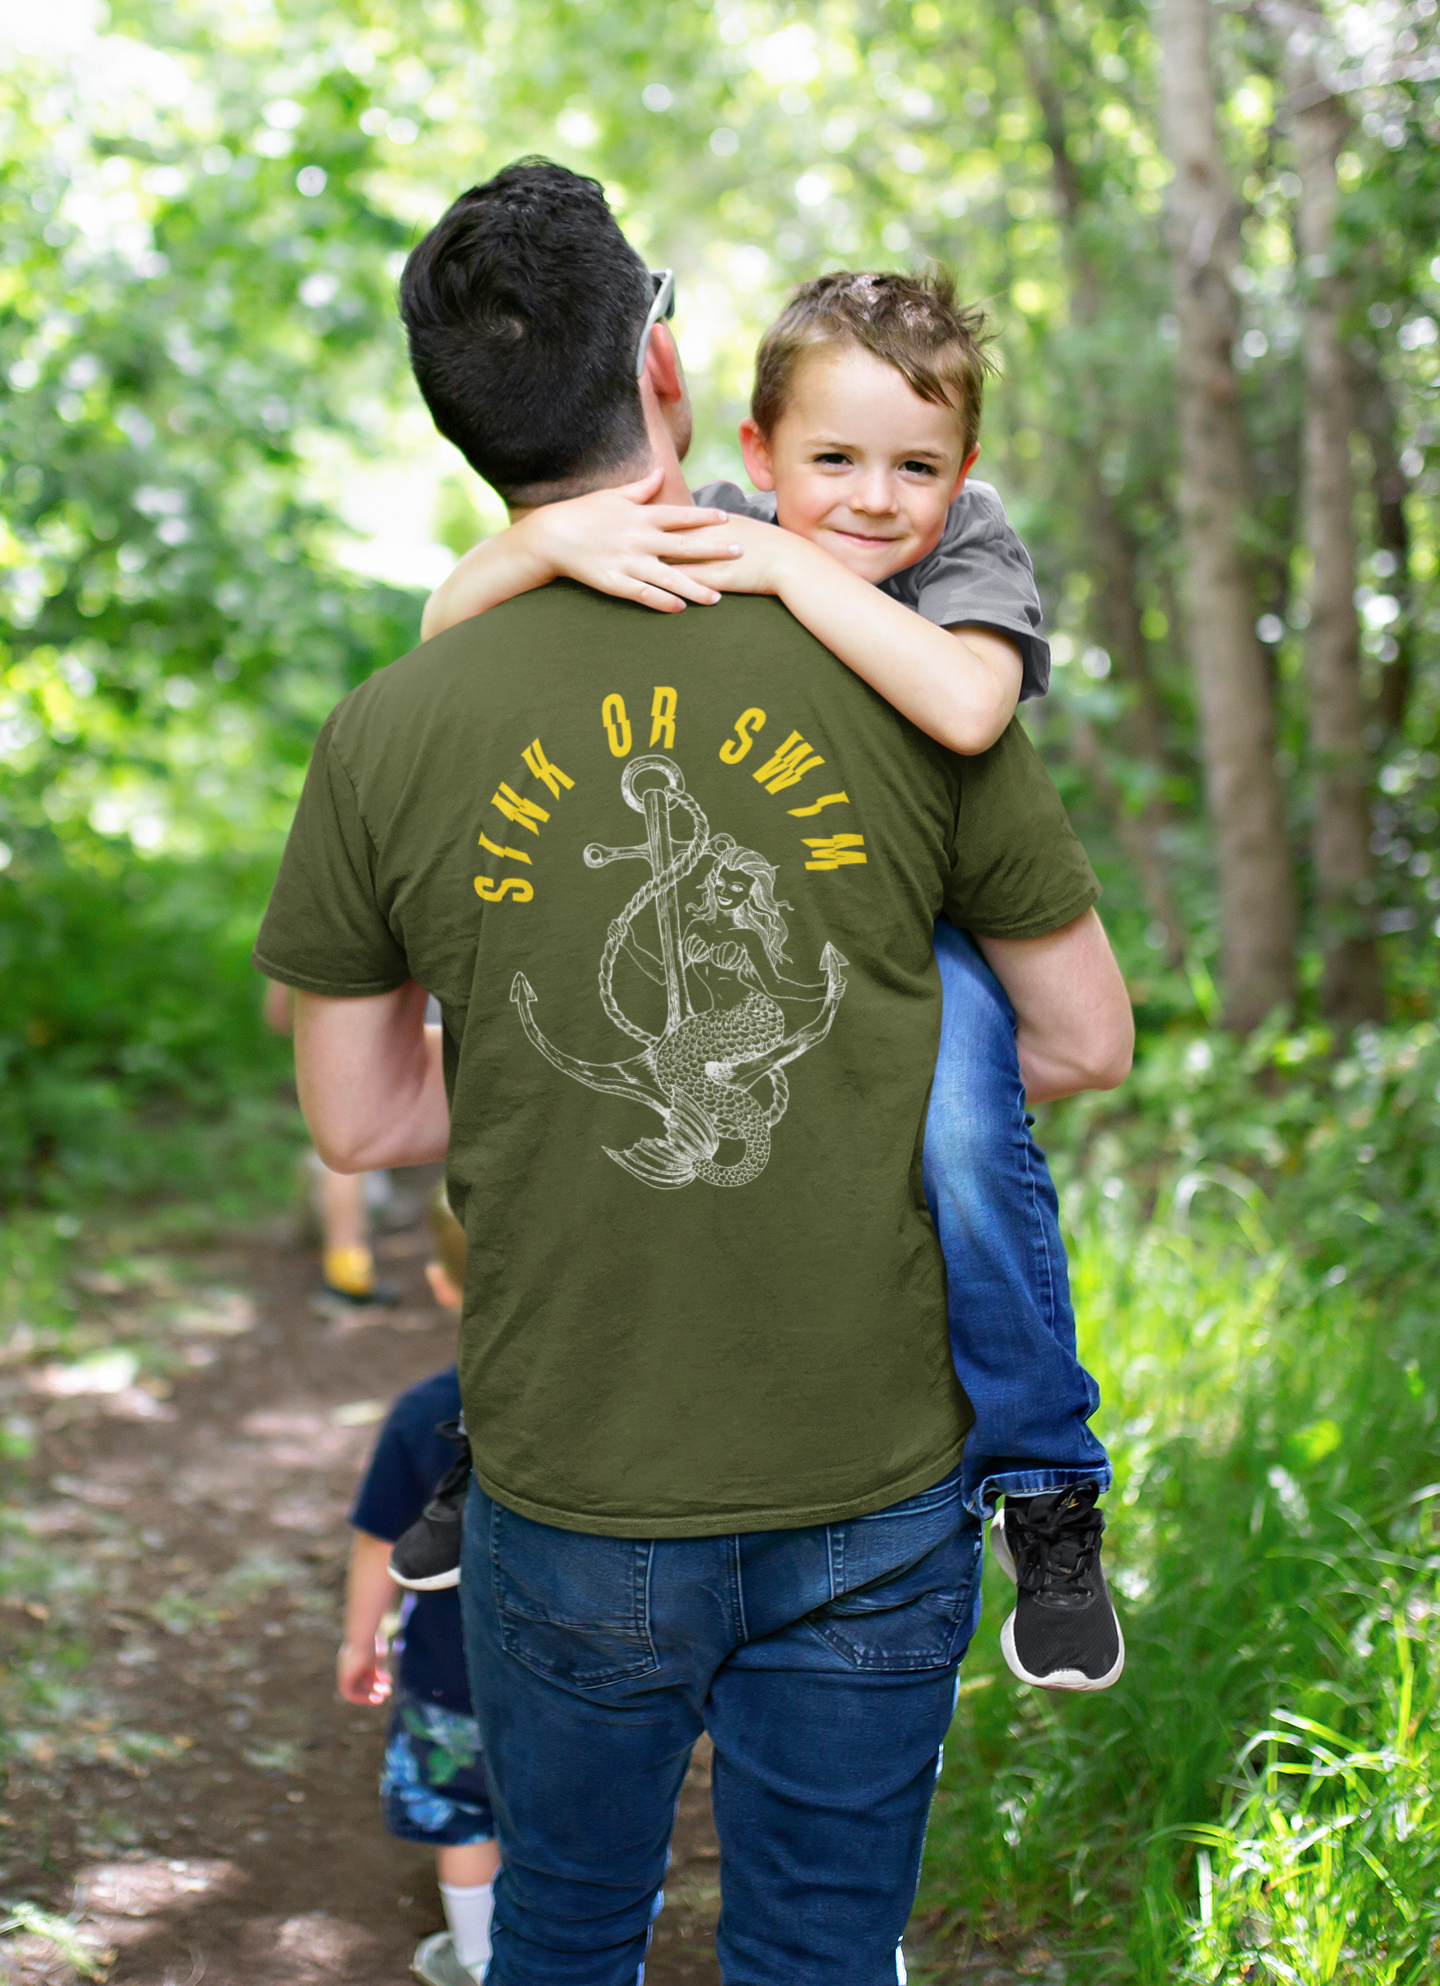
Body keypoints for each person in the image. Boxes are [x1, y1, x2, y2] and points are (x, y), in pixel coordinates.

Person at [253, 159, 1134, 1985]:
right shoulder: (895, 681)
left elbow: (361, 1115)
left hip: (570, 1487)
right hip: (874, 1481)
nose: (873, 496)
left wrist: (573, 1102)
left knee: (562, 1930)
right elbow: (1082, 1040)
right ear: (674, 373)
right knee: (826, 1946)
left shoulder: (392, 725)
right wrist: (844, 1093)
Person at [407, 266, 1120, 1692]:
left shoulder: (961, 552)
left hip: (911, 931)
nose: (872, 498)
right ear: (756, 455)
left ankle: (1045, 1483)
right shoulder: (709, 527)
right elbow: (445, 632)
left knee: (973, 1142)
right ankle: (490, 1439)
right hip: (737, 917)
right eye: (833, 463)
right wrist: (554, 552)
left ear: (964, 473)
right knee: (570, 1125)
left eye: (914, 465)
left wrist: (793, 570)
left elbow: (972, 706)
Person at [337, 1190, 498, 1986]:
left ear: (441, 1282)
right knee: (571, 1822)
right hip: (574, 1671)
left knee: (465, 1822)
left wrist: (358, 1641)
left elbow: (377, 1545)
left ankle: (476, 1959)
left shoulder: (422, 1413)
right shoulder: (593, 1415)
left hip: (448, 1673)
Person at [262, 978, 398, 1308]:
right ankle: (345, 1274)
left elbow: (276, 1014)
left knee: (338, 1152)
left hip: (322, 1043)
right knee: (346, 1157)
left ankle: (343, 1267)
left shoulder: (295, 925)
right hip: (359, 1038)